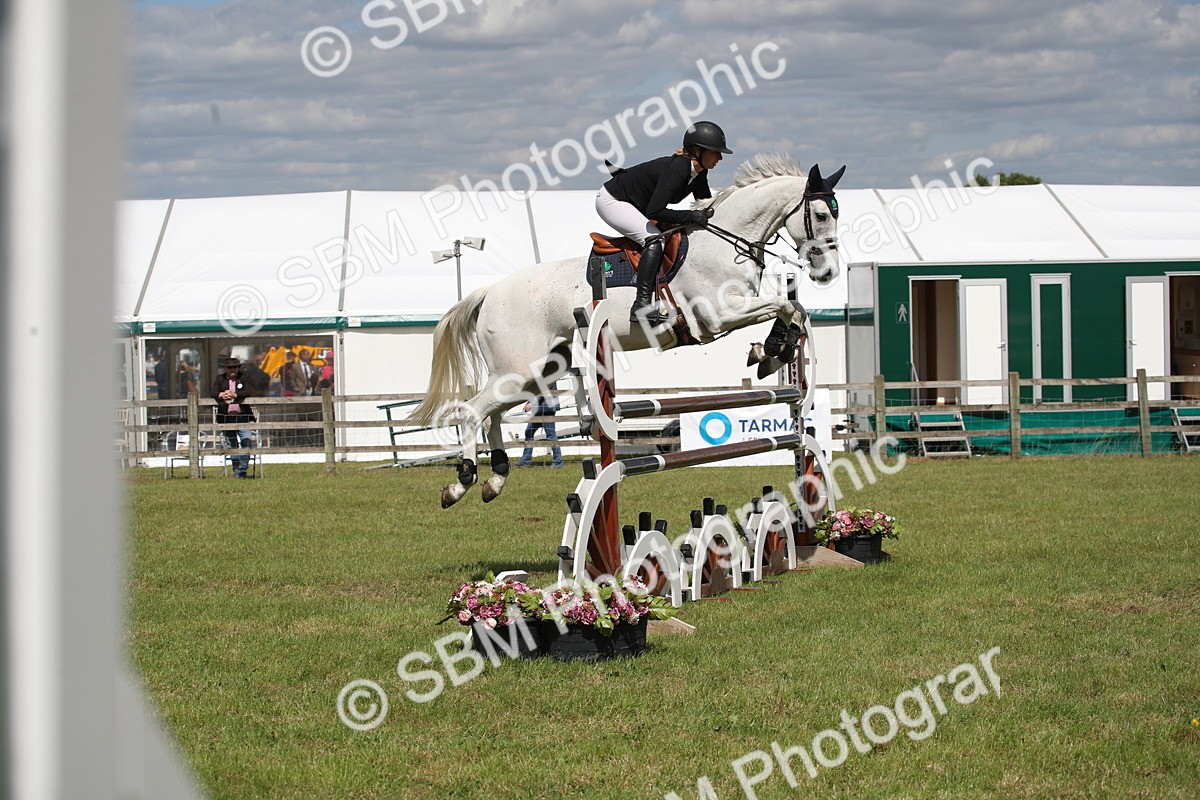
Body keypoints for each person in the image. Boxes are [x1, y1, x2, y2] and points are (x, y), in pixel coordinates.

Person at [596, 120, 732, 325]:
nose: (720, 157)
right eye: (715, 152)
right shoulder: (678, 168)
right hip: (612, 201)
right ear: (697, 151)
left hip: (634, 203)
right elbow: (656, 211)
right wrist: (692, 217)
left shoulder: (699, 172)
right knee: (654, 240)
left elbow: (705, 207)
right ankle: (641, 306)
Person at [211, 357, 255, 478]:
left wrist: (235, 394)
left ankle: (243, 470)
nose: (232, 370)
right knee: (231, 444)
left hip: (243, 416)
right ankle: (237, 470)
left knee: (246, 441)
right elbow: (213, 392)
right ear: (225, 368)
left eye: (234, 367)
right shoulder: (220, 379)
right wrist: (222, 394)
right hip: (226, 417)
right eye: (229, 367)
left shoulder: (243, 377)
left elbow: (248, 391)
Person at [516, 394, 563, 468]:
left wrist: (532, 403)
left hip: (547, 409)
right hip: (539, 410)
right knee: (529, 432)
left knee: (551, 436)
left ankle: (558, 463)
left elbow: (544, 391)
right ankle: (525, 461)